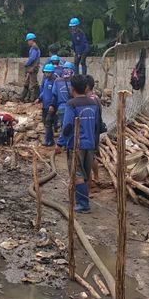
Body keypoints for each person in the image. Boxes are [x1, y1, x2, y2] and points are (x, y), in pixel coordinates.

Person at [57, 74, 101, 213]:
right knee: (85, 174)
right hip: (90, 143)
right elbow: (97, 125)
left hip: (76, 145)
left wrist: (60, 143)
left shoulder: (72, 104)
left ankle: (83, 204)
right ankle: (81, 199)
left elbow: (68, 126)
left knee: (77, 174)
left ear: (73, 88)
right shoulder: (94, 103)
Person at [34, 64, 58, 146]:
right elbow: (43, 92)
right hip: (45, 105)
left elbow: (55, 95)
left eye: (48, 73)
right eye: (45, 72)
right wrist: (39, 98)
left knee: (48, 122)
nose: (47, 74)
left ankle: (48, 140)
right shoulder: (46, 80)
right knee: (45, 122)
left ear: (52, 72)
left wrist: (52, 105)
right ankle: (50, 140)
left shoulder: (55, 81)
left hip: (51, 106)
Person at [54, 62, 75, 130]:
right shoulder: (75, 81)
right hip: (72, 108)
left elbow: (54, 94)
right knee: (71, 127)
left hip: (61, 108)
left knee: (64, 128)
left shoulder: (57, 81)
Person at [21, 32, 41, 102]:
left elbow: (32, 58)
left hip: (33, 68)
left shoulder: (34, 48)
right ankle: (23, 97)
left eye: (28, 41)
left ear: (31, 40)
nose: (28, 42)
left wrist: (26, 64)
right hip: (32, 68)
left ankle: (33, 99)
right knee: (27, 83)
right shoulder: (34, 48)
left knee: (32, 84)